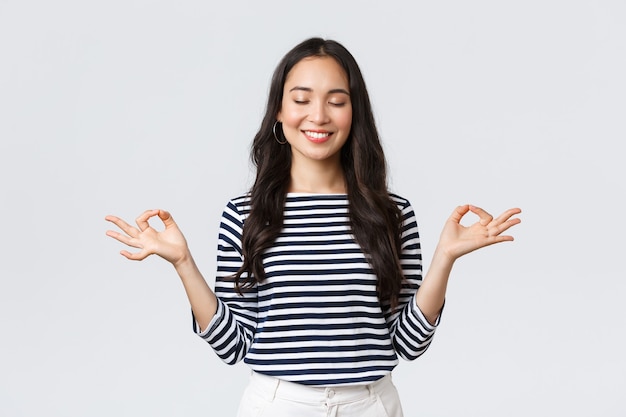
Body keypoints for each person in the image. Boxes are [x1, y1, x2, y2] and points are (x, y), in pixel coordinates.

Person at [105, 37, 521, 417]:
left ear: (354, 112)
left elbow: (407, 343)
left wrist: (444, 260)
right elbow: (235, 344)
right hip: (277, 405)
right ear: (280, 112)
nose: (318, 116)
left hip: (371, 405)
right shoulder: (244, 214)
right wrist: (182, 263)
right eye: (301, 99)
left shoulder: (392, 214)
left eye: (336, 101)